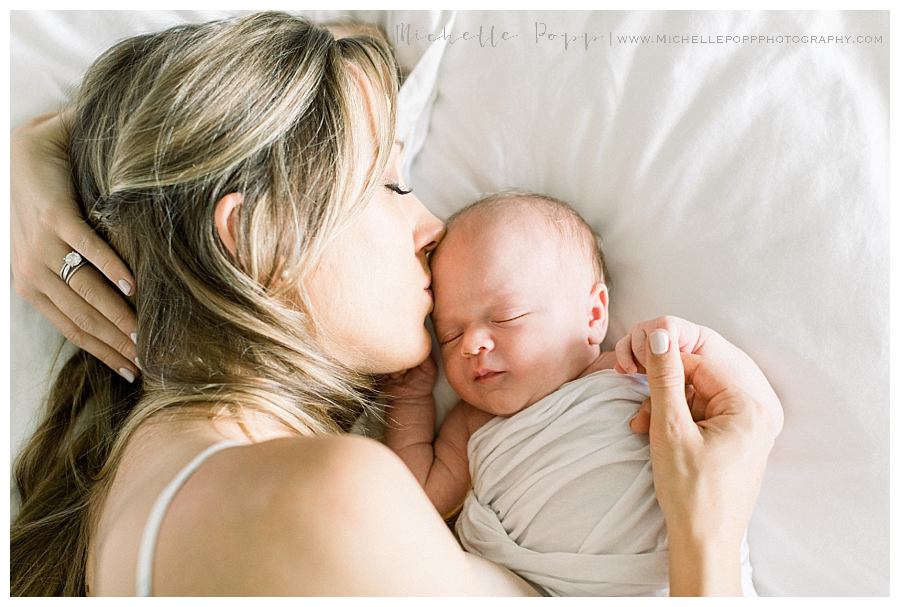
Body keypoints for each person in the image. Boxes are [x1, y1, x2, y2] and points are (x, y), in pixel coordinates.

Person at [9, 12, 784, 597]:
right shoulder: (330, 496)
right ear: (257, 234)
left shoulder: (138, 487)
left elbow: (336, 43)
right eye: (387, 184)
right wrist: (708, 528)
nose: (431, 224)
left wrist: (41, 150)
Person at [382, 192, 779, 595]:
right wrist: (411, 399)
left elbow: (748, 412)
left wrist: (696, 345)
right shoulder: (471, 424)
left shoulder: (628, 372)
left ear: (592, 315)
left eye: (506, 317)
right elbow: (420, 500)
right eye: (449, 335)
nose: (472, 345)